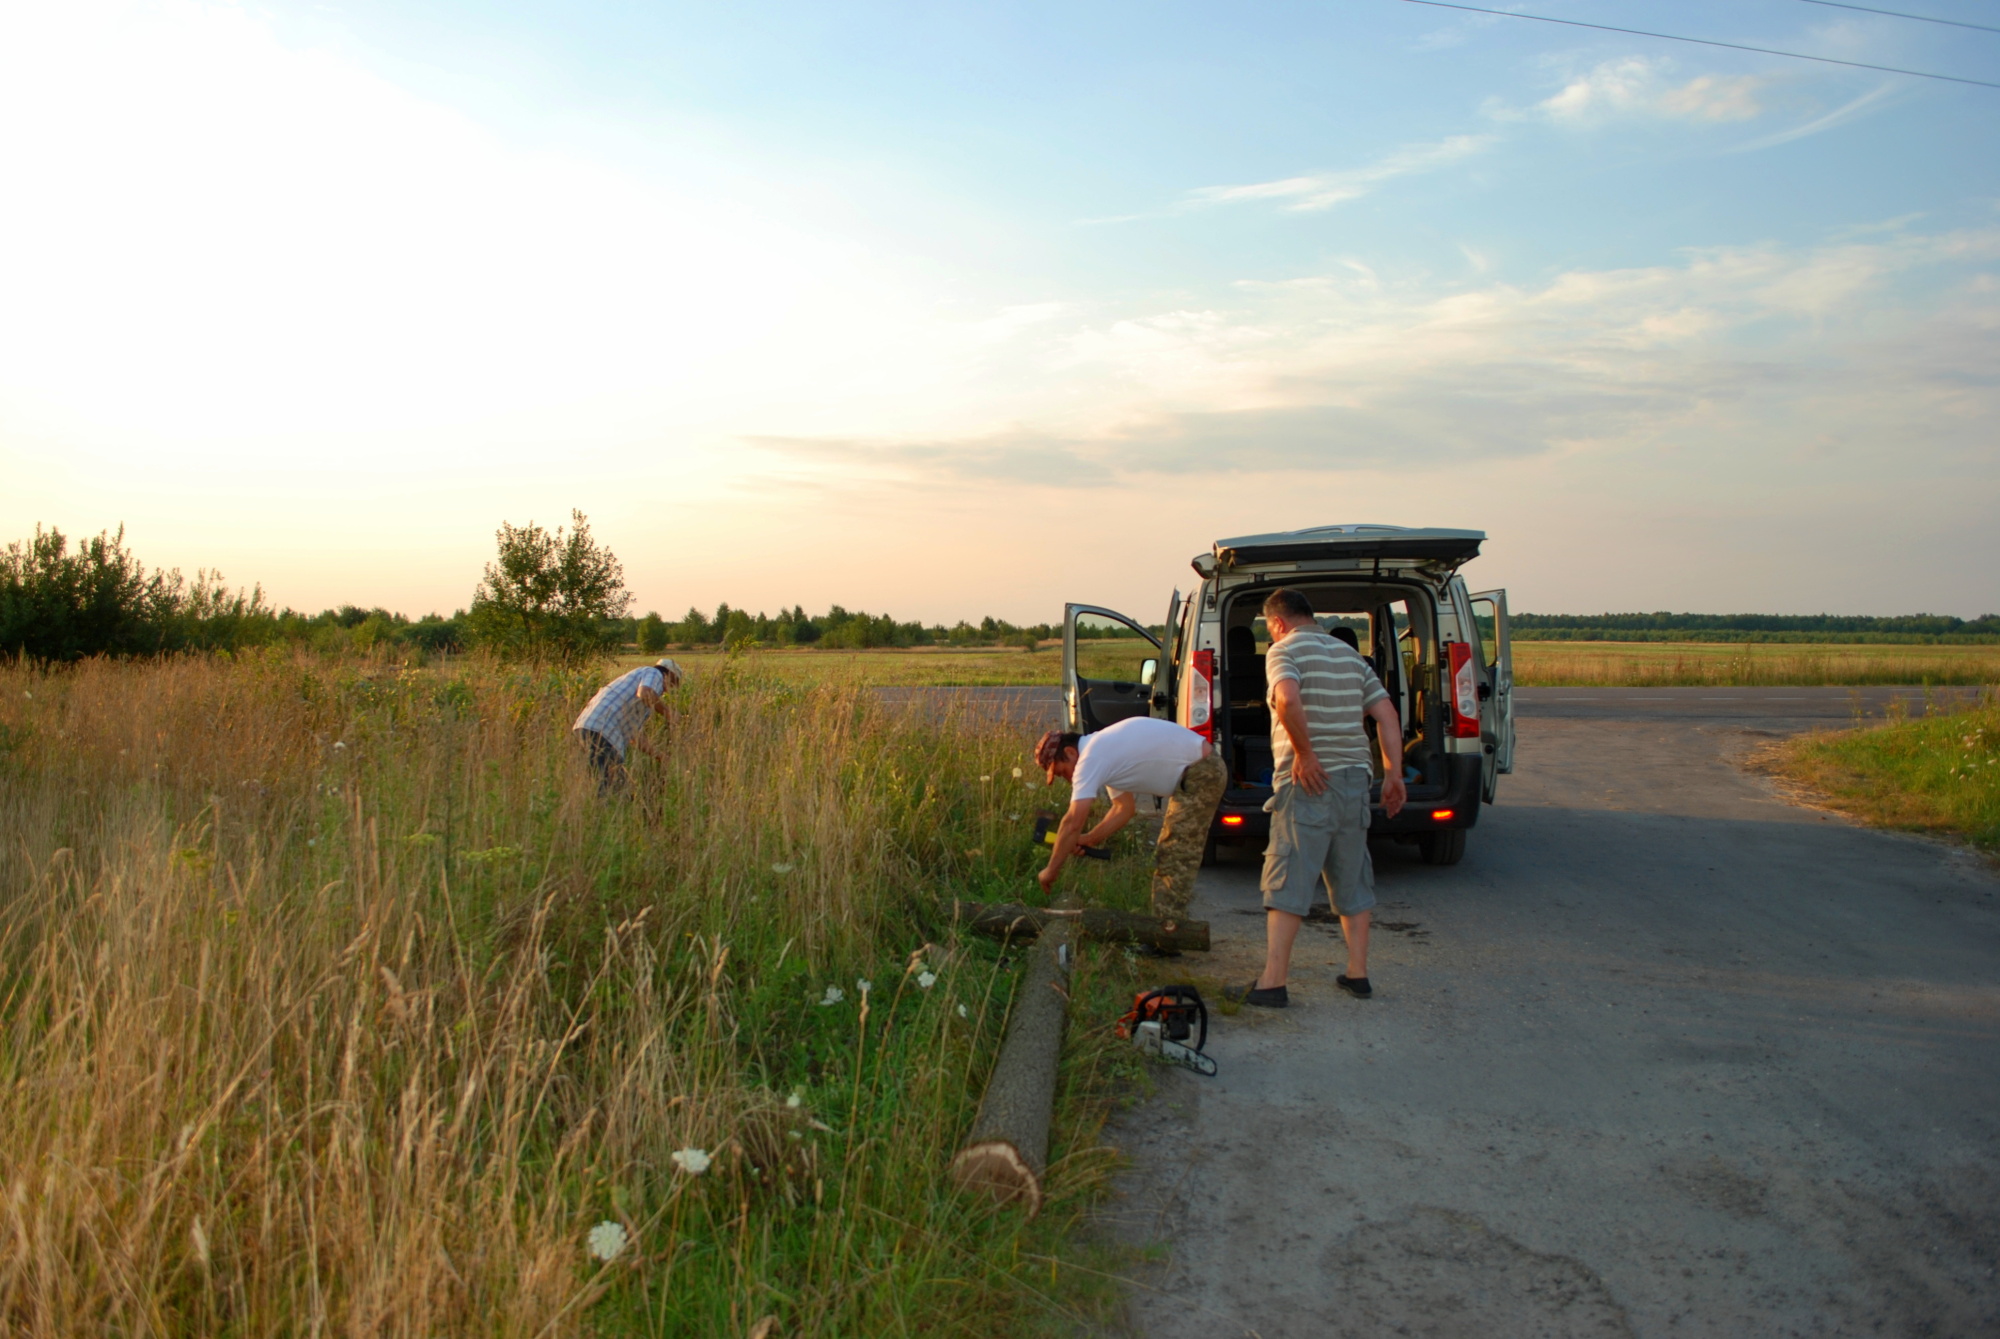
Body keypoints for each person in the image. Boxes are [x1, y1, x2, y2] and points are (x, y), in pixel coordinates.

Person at [1230, 589, 1406, 1008]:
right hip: (1355, 780)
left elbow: (1287, 698)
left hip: (1308, 780)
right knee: (1352, 876)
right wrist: (1394, 774)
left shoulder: (1283, 651)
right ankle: (1357, 974)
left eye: (1269, 628)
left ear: (1277, 622)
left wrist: (1305, 754)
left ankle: (1272, 983)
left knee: (1288, 875)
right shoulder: (1351, 656)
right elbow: (1387, 715)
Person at [1034, 715, 1227, 934]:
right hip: (1198, 771)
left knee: (1175, 853)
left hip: (1202, 771)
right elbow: (1123, 809)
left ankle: (1169, 936)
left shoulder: (1091, 758)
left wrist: (1050, 871)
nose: (1068, 779)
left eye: (1062, 772)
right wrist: (1089, 839)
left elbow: (1072, 823)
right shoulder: (1102, 751)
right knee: (1171, 853)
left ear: (1070, 752)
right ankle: (1167, 930)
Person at [573, 658, 683, 792]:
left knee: (617, 787)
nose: (667, 690)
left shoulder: (637, 691)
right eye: (672, 683)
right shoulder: (654, 673)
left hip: (590, 727)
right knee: (612, 788)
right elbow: (645, 693)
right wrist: (669, 713)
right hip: (603, 731)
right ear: (668, 674)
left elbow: (634, 736)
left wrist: (660, 756)